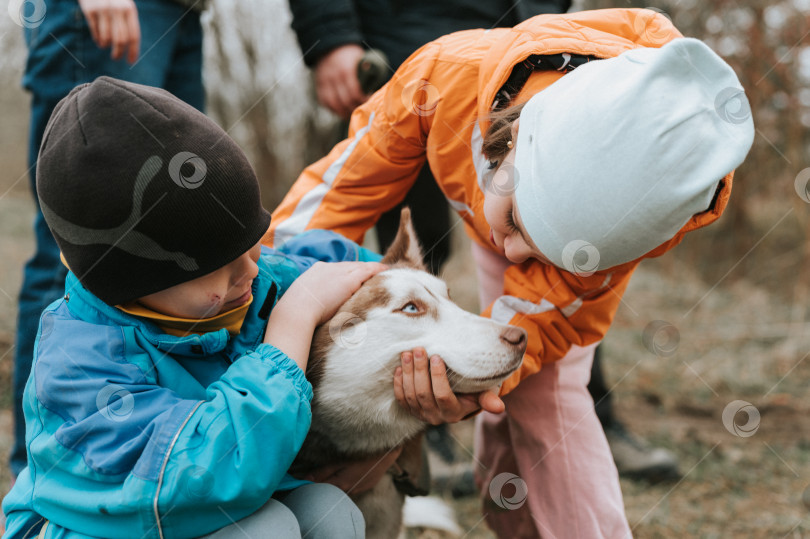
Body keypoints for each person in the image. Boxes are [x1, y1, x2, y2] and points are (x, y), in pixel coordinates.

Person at [266, 9, 755, 537]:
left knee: (544, 390)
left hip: (553, 251)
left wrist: (472, 391)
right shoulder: (440, 79)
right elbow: (344, 190)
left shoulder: (629, 227)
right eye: (518, 222)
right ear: (512, 141)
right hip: (481, 162)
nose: (514, 255)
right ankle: (513, 515)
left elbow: (543, 324)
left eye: (543, 248)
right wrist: (277, 286)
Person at [1, 77, 389, 539]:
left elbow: (334, 265)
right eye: (221, 265)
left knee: (329, 510)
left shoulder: (246, 283)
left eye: (252, 242)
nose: (250, 269)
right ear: (133, 283)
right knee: (264, 530)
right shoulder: (78, 369)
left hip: (218, 501)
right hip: (114, 520)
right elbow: (203, 478)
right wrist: (293, 326)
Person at [10, 0, 206, 488]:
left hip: (184, 12)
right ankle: (44, 482)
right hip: (108, 11)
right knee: (75, 256)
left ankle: (128, 470)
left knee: (172, 241)